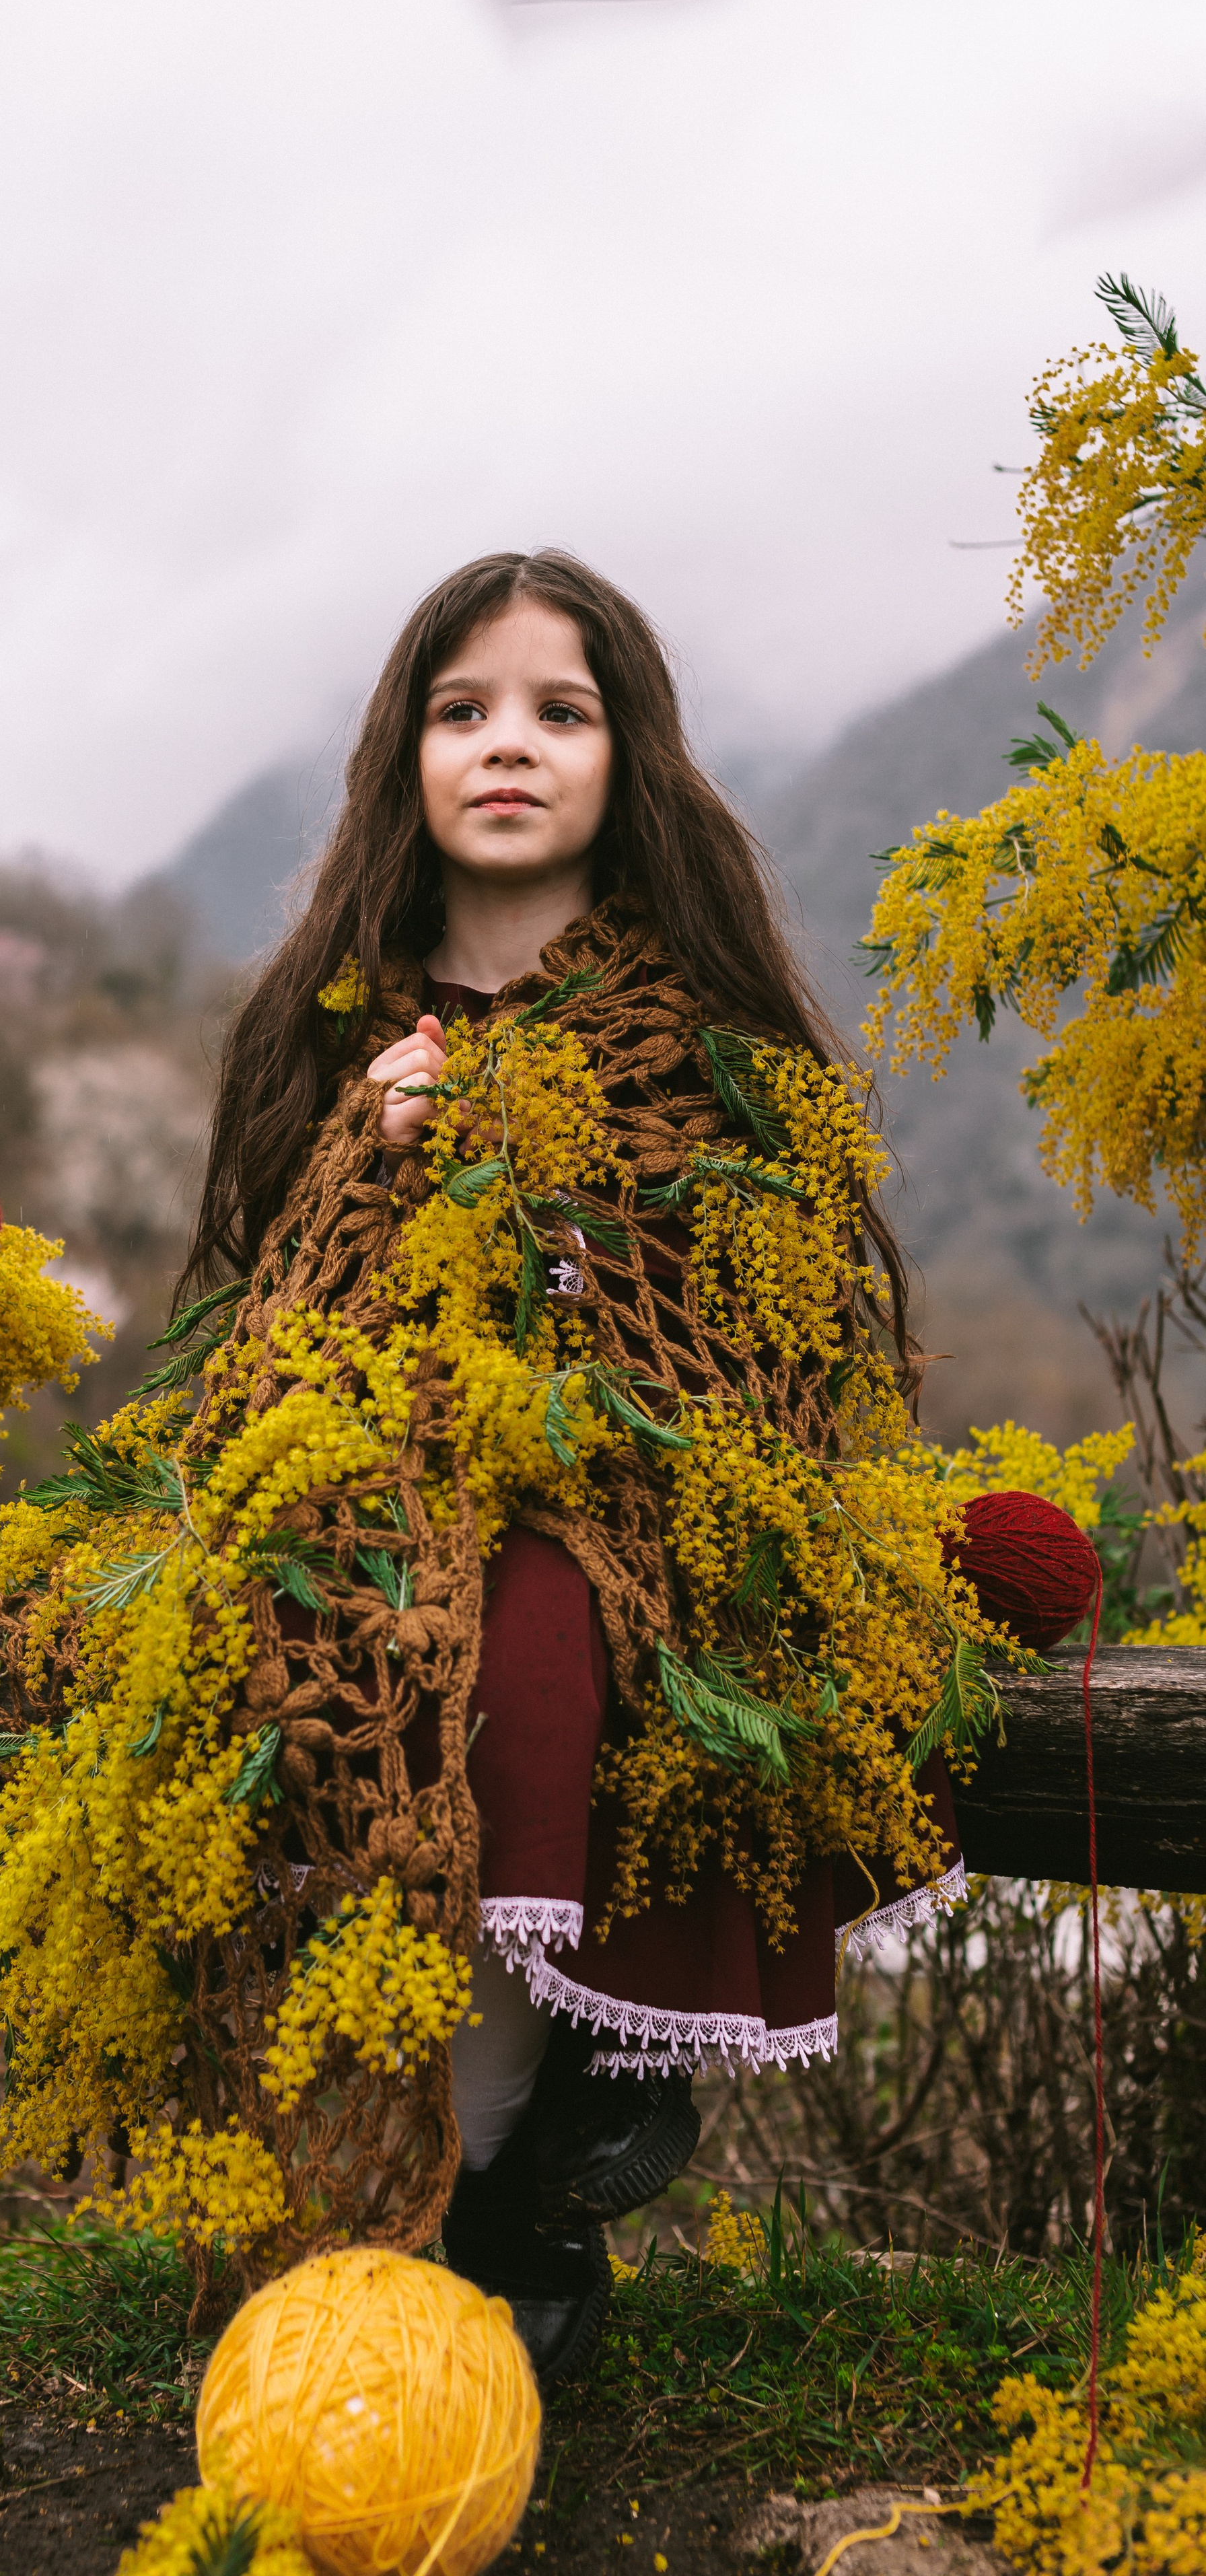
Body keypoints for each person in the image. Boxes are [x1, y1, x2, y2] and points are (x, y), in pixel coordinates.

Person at [180, 550, 963, 2381]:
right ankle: (399, 2189)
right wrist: (374, 1156)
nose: (509, 745)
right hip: (356, 1477)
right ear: (407, 756)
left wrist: (544, 1239)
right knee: (304, 1644)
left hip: (630, 1506)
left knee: (528, 1640)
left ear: (630, 759)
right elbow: (272, 1326)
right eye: (464, 710)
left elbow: (734, 1339)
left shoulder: (705, 1037)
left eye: (561, 710)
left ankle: (506, 2188)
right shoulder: (326, 1026)